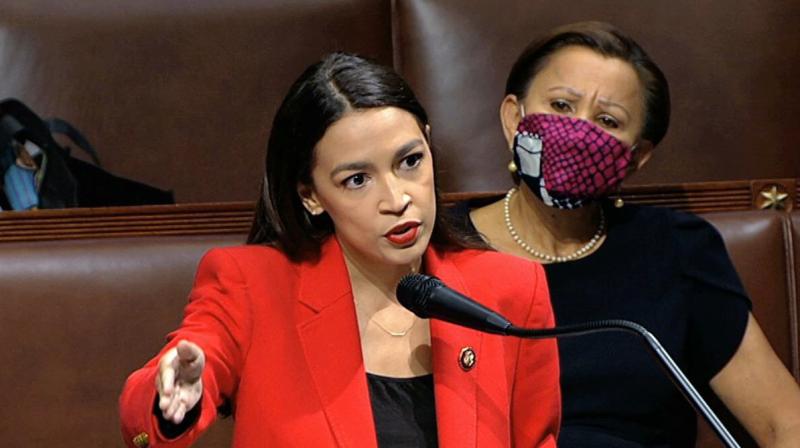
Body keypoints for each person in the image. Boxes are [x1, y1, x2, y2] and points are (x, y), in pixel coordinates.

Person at [119, 52, 560, 447]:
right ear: (310, 195)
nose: (396, 199)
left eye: (410, 161)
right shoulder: (252, 285)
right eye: (357, 180)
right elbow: (152, 409)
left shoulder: (509, 289)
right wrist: (171, 398)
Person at [467, 21, 800, 447]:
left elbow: (782, 422)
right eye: (562, 106)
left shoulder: (677, 249)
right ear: (515, 117)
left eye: (607, 120)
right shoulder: (441, 249)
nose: (579, 133)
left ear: (635, 156)